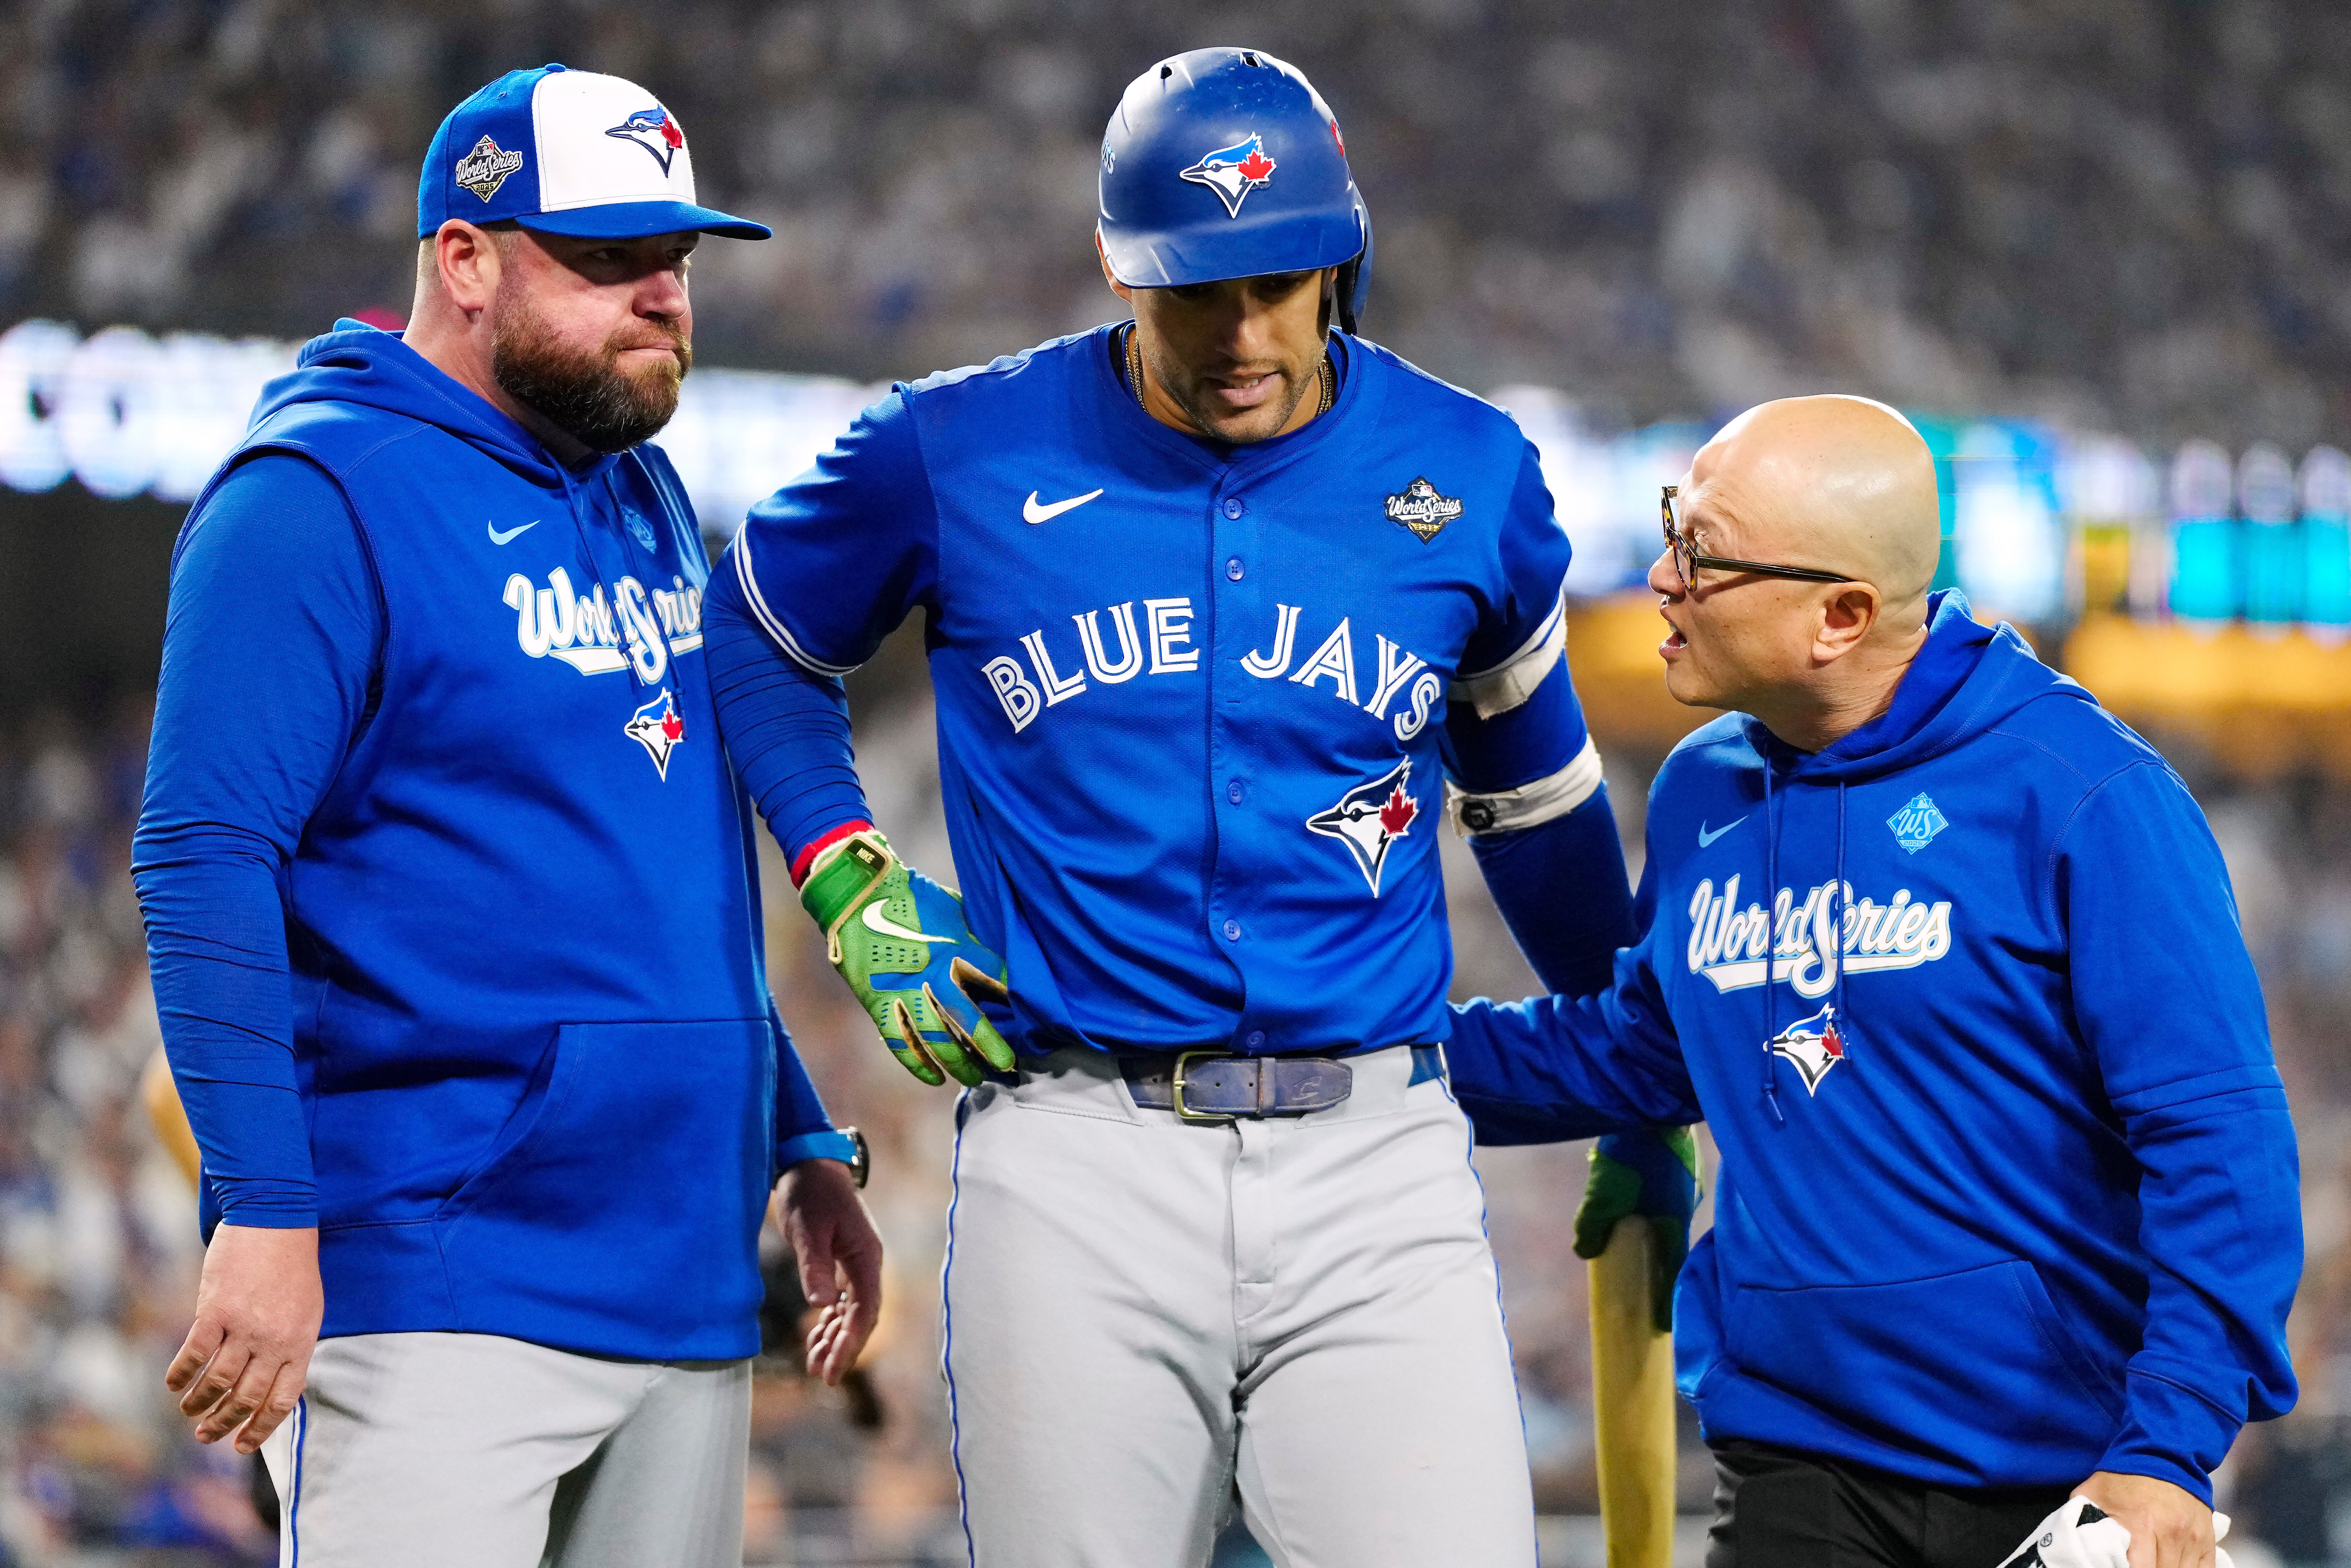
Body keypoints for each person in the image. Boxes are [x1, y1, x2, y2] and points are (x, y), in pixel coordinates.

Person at [698, 47, 1637, 1568]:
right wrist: (846, 873)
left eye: (1282, 279)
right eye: (1195, 286)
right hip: (1073, 1151)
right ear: (1115, 266)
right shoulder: (954, 447)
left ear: (1342, 254)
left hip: (1373, 1158)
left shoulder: (1468, 470)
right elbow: (753, 631)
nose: (1243, 330)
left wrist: (1634, 1072)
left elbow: (1528, 798)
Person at [132, 64, 881, 1568]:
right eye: (608, 261)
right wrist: (268, 1213)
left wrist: (795, 1132)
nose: (663, 297)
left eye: (673, 260)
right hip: (431, 1280)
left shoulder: (648, 496)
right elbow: (204, 854)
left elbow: (670, 877)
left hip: (678, 1274)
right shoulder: (313, 495)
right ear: (463, 261)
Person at [1444, 396, 2302, 1568]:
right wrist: (1369, 1046)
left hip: (2062, 1478)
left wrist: (2170, 1453)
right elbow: (1646, 1048)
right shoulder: (1705, 787)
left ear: (1839, 617)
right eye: (1669, 528)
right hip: (1794, 1459)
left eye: (1702, 552)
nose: (1659, 576)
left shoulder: (2082, 795)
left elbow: (2221, 1142)